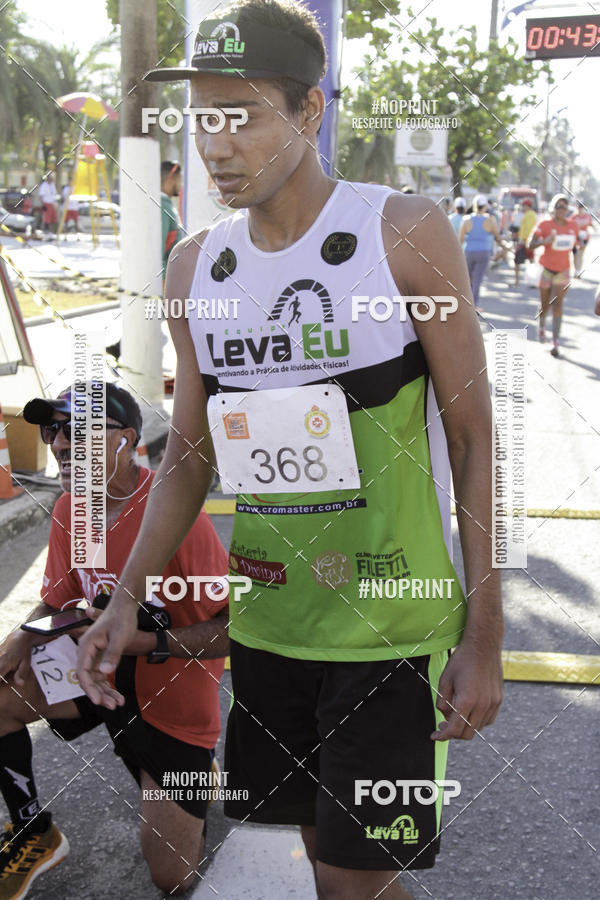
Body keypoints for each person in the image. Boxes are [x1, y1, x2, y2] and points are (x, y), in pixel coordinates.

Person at [77, 3, 503, 898]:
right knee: (328, 865)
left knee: (353, 883)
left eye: (243, 114)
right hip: (270, 630)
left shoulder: (403, 234)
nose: (216, 145)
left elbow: (471, 435)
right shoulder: (196, 267)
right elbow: (190, 455)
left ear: (311, 113)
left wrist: (486, 628)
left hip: (389, 627)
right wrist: (124, 598)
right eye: (203, 120)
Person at [0, 382, 229, 898]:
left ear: (125, 440)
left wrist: (144, 644)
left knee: (171, 877)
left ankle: (196, 776)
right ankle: (35, 832)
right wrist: (16, 641)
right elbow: (58, 601)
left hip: (170, 698)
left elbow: (233, 631)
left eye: (77, 430)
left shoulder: (175, 513)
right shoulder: (69, 511)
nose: (59, 443)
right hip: (90, 675)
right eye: (52, 430)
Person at [529, 193, 579, 357]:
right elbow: (530, 244)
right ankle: (542, 326)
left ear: (567, 209)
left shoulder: (573, 226)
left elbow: (577, 245)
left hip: (563, 271)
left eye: (564, 206)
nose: (561, 209)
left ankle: (555, 341)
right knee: (545, 305)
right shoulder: (545, 224)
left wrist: (581, 245)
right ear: (553, 208)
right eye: (558, 206)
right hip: (546, 270)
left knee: (558, 304)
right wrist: (545, 241)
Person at [459, 193, 503, 311]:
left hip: (469, 251)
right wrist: (503, 247)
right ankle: (473, 305)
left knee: (468, 279)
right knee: (477, 279)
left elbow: (461, 239)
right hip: (483, 252)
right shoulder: (489, 220)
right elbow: (497, 236)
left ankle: (466, 304)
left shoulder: (467, 220)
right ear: (485, 206)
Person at [161, 160, 184, 277]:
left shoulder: (166, 204)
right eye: (179, 180)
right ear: (171, 180)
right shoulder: (162, 206)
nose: (181, 185)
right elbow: (159, 251)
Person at [513, 197, 536, 287]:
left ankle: (517, 282)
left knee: (518, 262)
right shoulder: (529, 214)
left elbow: (529, 229)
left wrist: (524, 240)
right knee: (530, 261)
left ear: (527, 206)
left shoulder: (530, 215)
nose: (522, 208)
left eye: (523, 206)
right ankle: (532, 282)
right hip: (526, 241)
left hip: (525, 242)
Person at [569, 200, 594, 277]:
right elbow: (569, 225)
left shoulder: (587, 216)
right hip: (575, 238)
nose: (581, 209)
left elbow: (590, 224)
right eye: (580, 208)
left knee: (580, 254)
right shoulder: (574, 216)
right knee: (575, 255)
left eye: (583, 208)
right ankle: (576, 270)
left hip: (584, 238)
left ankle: (578, 271)